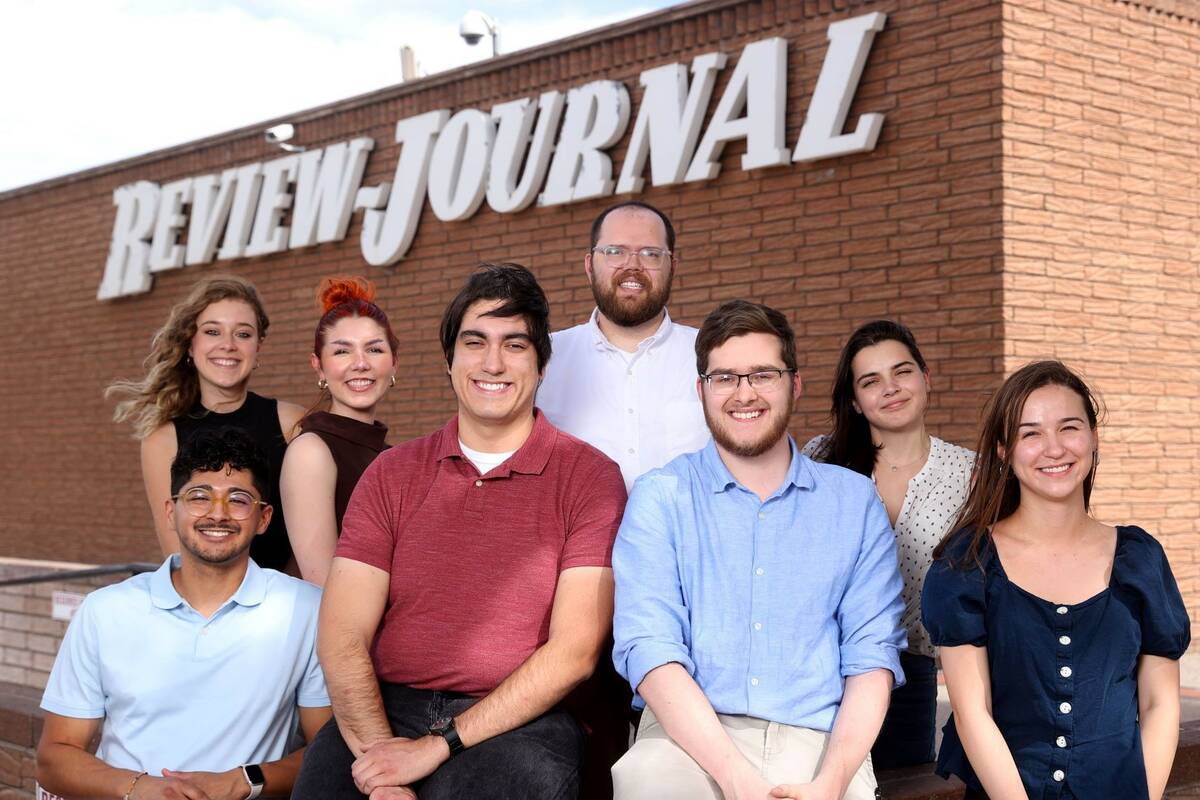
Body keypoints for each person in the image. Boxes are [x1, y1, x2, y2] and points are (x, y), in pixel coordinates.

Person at [292, 263, 627, 800]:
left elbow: (574, 652)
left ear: (541, 365)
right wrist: (382, 769)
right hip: (387, 710)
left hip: (521, 720)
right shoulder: (393, 473)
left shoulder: (590, 477)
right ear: (450, 360)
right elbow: (341, 634)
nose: (492, 362)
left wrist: (438, 745)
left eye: (514, 345)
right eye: (475, 342)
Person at [611, 299, 906, 800]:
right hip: (686, 743)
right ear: (700, 389)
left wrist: (831, 782)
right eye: (724, 377)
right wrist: (736, 779)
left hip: (821, 743)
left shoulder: (853, 502)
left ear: (794, 383)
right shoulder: (661, 496)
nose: (743, 394)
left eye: (762, 374)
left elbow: (871, 655)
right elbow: (650, 649)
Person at [922, 360, 1189, 800]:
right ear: (1005, 450)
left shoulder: (1140, 558)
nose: (1054, 448)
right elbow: (973, 714)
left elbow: (1159, 705)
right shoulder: (967, 565)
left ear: (1093, 437)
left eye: (1069, 427)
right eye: (1031, 434)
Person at [37, 427, 331, 799]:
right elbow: (53, 758)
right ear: (170, 511)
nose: (217, 514)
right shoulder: (105, 610)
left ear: (264, 518)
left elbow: (326, 750)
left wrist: (244, 780)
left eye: (238, 500)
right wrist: (142, 789)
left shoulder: (305, 609)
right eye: (198, 497)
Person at [801, 319, 974, 769]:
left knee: (905, 787)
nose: (891, 389)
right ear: (855, 402)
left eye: (902, 372)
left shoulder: (970, 475)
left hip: (911, 670)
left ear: (926, 377)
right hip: (820, 667)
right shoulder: (820, 460)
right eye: (870, 381)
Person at [108, 274, 305, 573]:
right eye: (213, 331)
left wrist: (284, 603)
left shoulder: (293, 423)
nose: (228, 345)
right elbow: (178, 553)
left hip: (288, 602)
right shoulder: (163, 439)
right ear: (190, 344)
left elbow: (313, 535)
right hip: (205, 606)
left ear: (258, 347)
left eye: (243, 334)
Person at [538, 200, 709, 491]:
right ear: (589, 265)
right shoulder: (543, 359)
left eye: (651, 254)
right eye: (615, 251)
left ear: (672, 267)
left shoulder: (713, 356)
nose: (632, 265)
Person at [282, 276, 397, 586]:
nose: (360, 364)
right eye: (342, 352)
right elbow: (325, 586)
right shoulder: (311, 451)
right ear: (319, 367)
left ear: (394, 363)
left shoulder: (392, 456)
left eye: (374, 350)